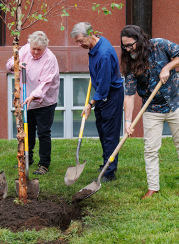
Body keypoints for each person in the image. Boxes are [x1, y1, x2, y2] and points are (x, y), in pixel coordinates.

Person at [120, 25, 179, 199]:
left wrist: (167, 67)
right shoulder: (130, 62)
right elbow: (130, 95)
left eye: (130, 45)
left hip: (175, 103)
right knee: (150, 149)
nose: (128, 49)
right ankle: (153, 187)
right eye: (124, 46)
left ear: (139, 40)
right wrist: (127, 121)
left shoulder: (160, 45)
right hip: (152, 108)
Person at [70, 22, 124, 182]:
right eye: (77, 42)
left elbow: (105, 86)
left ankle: (109, 172)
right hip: (102, 92)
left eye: (81, 41)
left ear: (91, 34)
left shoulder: (104, 55)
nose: (79, 45)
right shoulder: (96, 44)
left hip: (111, 95)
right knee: (102, 130)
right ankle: (107, 162)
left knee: (109, 134)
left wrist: (90, 104)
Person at [6, 31, 60, 175]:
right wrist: (15, 65)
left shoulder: (50, 59)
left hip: (45, 101)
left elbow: (45, 83)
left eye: (39, 50)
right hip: (26, 98)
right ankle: (26, 159)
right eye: (33, 49)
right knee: (27, 131)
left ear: (45, 47)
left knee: (43, 133)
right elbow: (10, 62)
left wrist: (33, 96)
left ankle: (44, 164)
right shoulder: (24, 49)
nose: (35, 52)